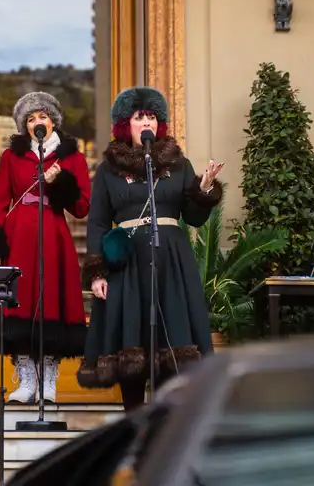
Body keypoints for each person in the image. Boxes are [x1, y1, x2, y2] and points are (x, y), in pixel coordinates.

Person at [77, 87, 224, 412]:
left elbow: (195, 217)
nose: (146, 123)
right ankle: (134, 422)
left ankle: (163, 423)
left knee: (171, 343)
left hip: (172, 263)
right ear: (124, 124)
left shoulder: (178, 163)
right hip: (127, 266)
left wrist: (204, 187)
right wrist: (97, 272)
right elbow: (98, 223)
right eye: (139, 117)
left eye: (152, 117)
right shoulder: (107, 170)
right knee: (132, 346)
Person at [0, 92, 90, 403]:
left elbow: (81, 207)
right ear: (24, 126)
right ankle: (25, 379)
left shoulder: (71, 157)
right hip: (17, 236)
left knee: (50, 306)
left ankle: (48, 380)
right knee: (16, 308)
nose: (37, 122)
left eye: (42, 116)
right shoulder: (11, 156)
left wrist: (60, 182)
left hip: (53, 236)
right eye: (31, 118)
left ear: (53, 121)